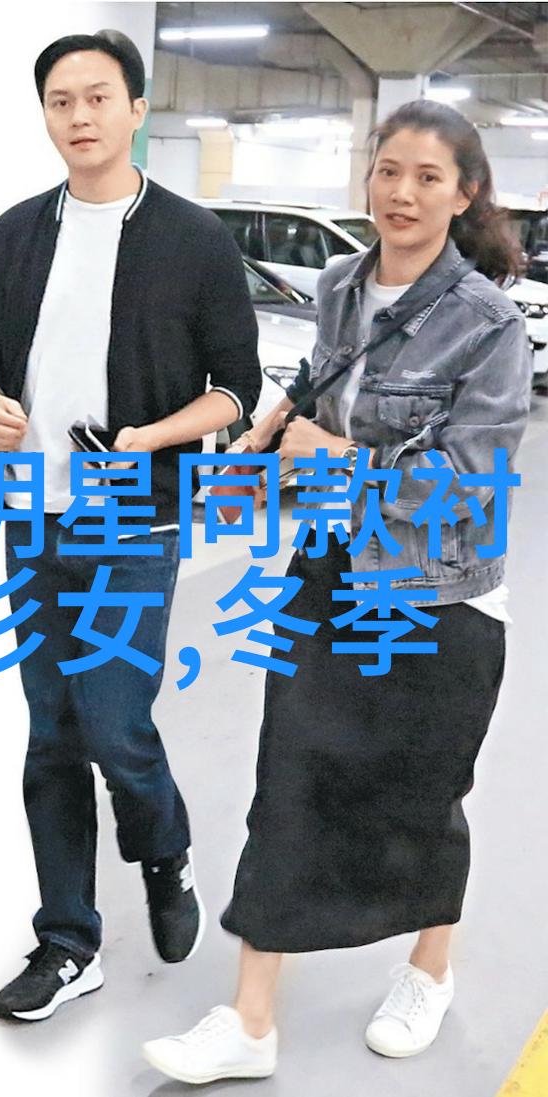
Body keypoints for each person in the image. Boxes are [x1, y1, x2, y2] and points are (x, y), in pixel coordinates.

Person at [142, 100, 533, 1083]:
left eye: (427, 177)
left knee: (422, 793)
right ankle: (250, 1019)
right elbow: (317, 380)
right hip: (329, 565)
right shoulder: (341, 283)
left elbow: (474, 484)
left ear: (465, 194)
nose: (402, 193)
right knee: (287, 782)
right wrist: (258, 445)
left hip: (436, 593)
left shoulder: (488, 324)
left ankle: (428, 969)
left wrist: (343, 460)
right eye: (388, 171)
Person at [0, 30, 260, 1022]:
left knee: (112, 721)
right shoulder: (15, 232)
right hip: (31, 510)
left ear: (137, 108)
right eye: (61, 101)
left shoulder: (194, 238)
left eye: (98, 97)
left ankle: (164, 845)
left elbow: (236, 389)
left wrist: (150, 437)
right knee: (50, 731)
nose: (79, 116)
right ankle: (68, 941)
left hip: (131, 512)